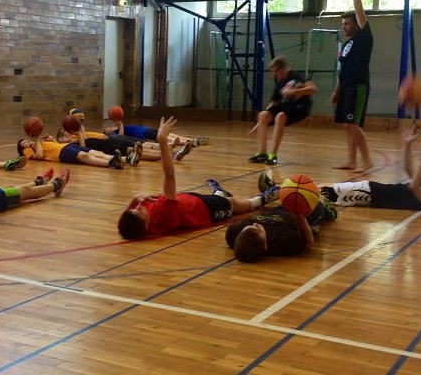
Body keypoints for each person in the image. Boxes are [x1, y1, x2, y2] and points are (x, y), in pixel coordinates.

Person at [117, 116, 278, 240]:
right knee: (232, 204)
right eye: (138, 212)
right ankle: (262, 199)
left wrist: (134, 199)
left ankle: (218, 192)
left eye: (133, 209)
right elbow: (169, 176)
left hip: (189, 201)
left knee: (216, 198)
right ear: (146, 225)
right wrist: (162, 142)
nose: (137, 207)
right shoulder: (163, 216)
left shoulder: (137, 219)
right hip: (205, 212)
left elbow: (122, 223)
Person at [320, 127, 421, 213]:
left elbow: (413, 187)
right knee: (324, 189)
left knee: (323, 191)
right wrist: (407, 145)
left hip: (370, 195)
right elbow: (409, 169)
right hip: (372, 189)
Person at [331, 0, 374, 173]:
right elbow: (343, 69)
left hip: (358, 86)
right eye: (342, 24)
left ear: (357, 24)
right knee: (348, 125)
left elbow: (360, 13)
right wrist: (337, 90)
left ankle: (367, 161)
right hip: (347, 86)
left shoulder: (364, 38)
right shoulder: (348, 44)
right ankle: (351, 161)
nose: (344, 27)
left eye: (347, 23)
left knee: (353, 124)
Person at [248, 56, 317, 165]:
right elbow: (273, 102)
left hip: (300, 107)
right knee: (263, 115)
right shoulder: (279, 82)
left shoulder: (296, 76)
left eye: (275, 71)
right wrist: (260, 122)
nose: (273, 75)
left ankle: (273, 155)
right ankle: (262, 154)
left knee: (280, 116)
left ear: (282, 68)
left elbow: (313, 89)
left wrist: (295, 91)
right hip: (285, 106)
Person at [104, 117, 204, 161]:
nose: (110, 127)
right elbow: (120, 135)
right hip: (143, 134)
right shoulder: (117, 133)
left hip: (145, 130)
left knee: (168, 134)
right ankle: (178, 147)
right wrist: (120, 124)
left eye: (109, 126)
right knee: (163, 138)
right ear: (109, 133)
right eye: (107, 129)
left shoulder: (120, 129)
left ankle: (192, 140)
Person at [17, 130, 126, 169]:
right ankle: (111, 163)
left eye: (26, 140)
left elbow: (55, 145)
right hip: (61, 153)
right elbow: (40, 156)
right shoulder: (28, 151)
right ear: (22, 150)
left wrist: (52, 139)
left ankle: (125, 159)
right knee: (84, 156)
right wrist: (36, 141)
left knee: (96, 152)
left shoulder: (39, 143)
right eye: (24, 143)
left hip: (66, 146)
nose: (27, 142)